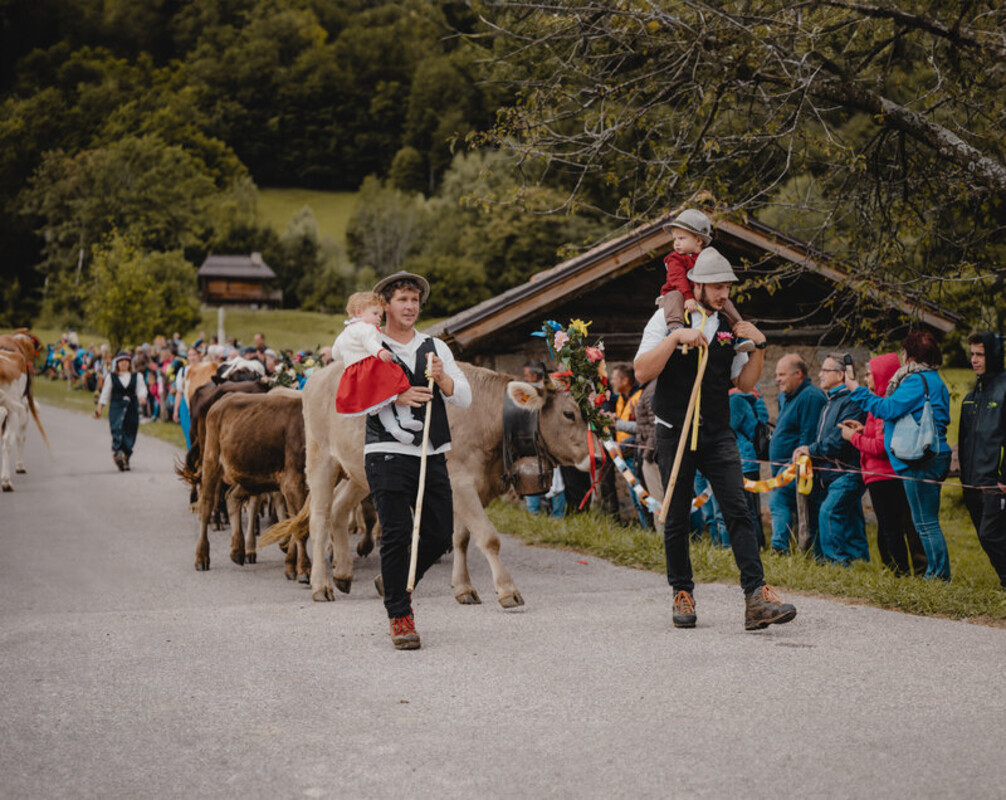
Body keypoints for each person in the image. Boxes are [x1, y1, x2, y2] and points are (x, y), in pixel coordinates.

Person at [634, 246, 796, 630]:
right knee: (677, 515)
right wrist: (675, 338)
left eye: (727, 287)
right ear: (698, 285)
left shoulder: (727, 325)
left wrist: (759, 348)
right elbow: (641, 372)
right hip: (674, 429)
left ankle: (756, 596)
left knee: (738, 509)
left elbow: (744, 382)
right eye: (717, 287)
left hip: (717, 431)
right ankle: (682, 592)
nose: (725, 294)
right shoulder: (666, 317)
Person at [364, 272, 471, 649]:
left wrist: (442, 380)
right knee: (396, 532)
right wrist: (395, 395)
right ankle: (400, 615)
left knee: (440, 534)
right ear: (386, 305)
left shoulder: (435, 347)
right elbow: (354, 397)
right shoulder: (370, 343)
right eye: (402, 300)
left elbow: (464, 397)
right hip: (386, 451)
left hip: (431, 451)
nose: (410, 307)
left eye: (414, 300)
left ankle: (395, 583)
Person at [844, 331, 952, 580]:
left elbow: (887, 408)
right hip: (933, 455)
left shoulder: (916, 380)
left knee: (925, 523)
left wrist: (856, 390)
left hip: (921, 458)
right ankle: (936, 573)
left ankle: (938, 576)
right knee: (924, 522)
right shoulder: (935, 380)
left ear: (910, 355)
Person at [840, 353, 927, 576]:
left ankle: (899, 572)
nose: (866, 377)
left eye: (870, 373)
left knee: (891, 528)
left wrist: (853, 437)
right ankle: (903, 570)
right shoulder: (878, 403)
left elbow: (881, 447)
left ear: (882, 375)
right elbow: (880, 436)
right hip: (881, 474)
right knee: (893, 526)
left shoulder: (884, 406)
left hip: (884, 475)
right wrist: (863, 430)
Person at [793, 355, 867, 565]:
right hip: (829, 473)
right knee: (850, 519)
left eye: (825, 370)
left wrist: (810, 450)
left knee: (829, 513)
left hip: (846, 472)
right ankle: (860, 563)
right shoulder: (830, 401)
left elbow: (837, 442)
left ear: (841, 375)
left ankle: (837, 564)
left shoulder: (851, 401)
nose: (820, 375)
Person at [333, 291, 424, 445]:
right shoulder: (366, 328)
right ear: (359, 312)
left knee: (380, 403)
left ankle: (393, 428)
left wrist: (349, 360)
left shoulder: (344, 333)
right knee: (397, 387)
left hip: (355, 373)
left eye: (380, 315)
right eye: (375, 313)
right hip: (372, 366)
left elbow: (336, 353)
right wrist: (380, 351)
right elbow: (370, 343)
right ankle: (405, 418)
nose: (378, 318)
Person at [657, 209, 753, 353]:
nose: (676, 243)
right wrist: (688, 296)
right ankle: (675, 330)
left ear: (698, 240)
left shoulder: (707, 259)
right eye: (675, 239)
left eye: (681, 238)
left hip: (699, 296)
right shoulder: (675, 258)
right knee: (674, 296)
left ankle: (741, 332)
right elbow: (677, 278)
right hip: (678, 292)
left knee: (727, 303)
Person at [958, 332, 1006, 589]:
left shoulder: (1003, 390)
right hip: (972, 483)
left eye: (980, 354)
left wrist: (1003, 477)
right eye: (972, 354)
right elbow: (964, 440)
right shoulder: (971, 397)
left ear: (993, 355)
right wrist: (965, 480)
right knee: (985, 536)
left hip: (995, 484)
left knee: (990, 535)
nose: (974, 360)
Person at [768, 354, 827, 552]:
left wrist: (795, 465)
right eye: (777, 375)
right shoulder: (784, 396)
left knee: (779, 498)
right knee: (795, 508)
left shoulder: (811, 397)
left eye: (782, 375)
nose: (777, 379)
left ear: (798, 374)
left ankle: (779, 547)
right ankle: (798, 549)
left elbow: (808, 435)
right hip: (782, 466)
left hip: (798, 466)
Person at [606, 363, 649, 528]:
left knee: (641, 498)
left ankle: (650, 531)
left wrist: (621, 445)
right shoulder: (621, 399)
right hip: (625, 454)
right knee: (635, 500)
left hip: (635, 454)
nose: (612, 381)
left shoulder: (638, 398)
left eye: (614, 378)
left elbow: (641, 429)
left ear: (625, 381)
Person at [94, 351, 147, 471]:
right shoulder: (111, 377)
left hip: (131, 409)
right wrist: (99, 408)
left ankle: (126, 456)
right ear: (117, 364)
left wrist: (142, 397)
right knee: (117, 430)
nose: (123, 363)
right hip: (116, 408)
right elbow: (105, 393)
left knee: (130, 432)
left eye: (126, 361)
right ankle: (117, 454)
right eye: (121, 361)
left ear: (129, 363)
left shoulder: (137, 376)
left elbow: (141, 389)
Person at [729, 386, 769, 547]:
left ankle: (754, 545)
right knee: (752, 509)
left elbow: (728, 427)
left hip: (743, 461)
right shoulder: (748, 396)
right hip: (748, 460)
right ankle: (757, 544)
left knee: (747, 509)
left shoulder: (736, 400)